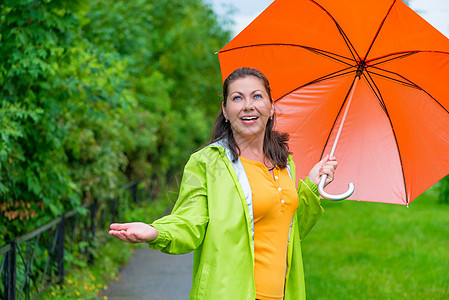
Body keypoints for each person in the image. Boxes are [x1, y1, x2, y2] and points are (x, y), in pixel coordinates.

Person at [109, 67, 337, 300]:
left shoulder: (284, 162)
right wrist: (157, 231)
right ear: (225, 111)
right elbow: (190, 221)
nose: (248, 105)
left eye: (257, 96)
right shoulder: (207, 162)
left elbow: (290, 230)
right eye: (237, 98)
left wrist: (311, 185)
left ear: (271, 107)